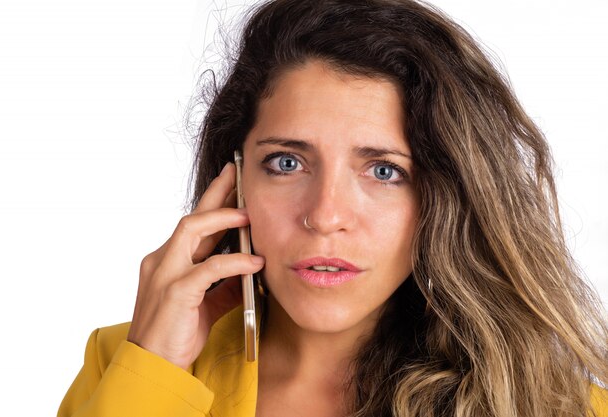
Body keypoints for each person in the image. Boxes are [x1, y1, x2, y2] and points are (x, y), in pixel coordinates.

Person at [57, 0, 608, 416]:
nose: (324, 216)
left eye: (384, 171)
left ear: (446, 198)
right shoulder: (129, 362)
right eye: (287, 163)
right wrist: (152, 372)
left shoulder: (551, 401)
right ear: (234, 179)